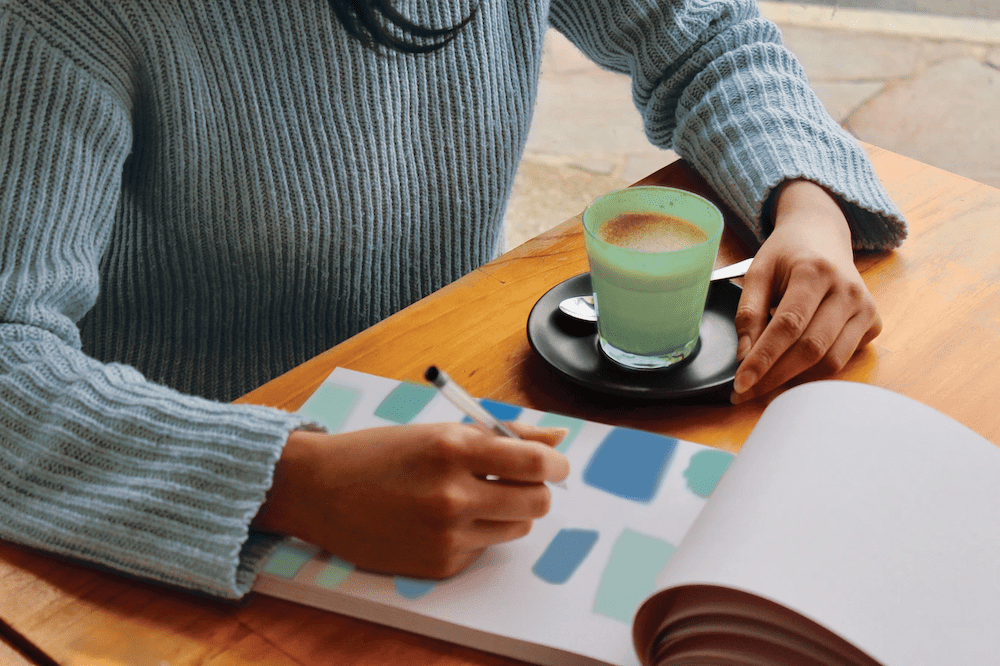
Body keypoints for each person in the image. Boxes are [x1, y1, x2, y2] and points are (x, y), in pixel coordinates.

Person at [0, 0, 906, 599]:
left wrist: (807, 204)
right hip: (181, 517)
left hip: (453, 416)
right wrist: (290, 480)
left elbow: (703, 36)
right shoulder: (61, 19)